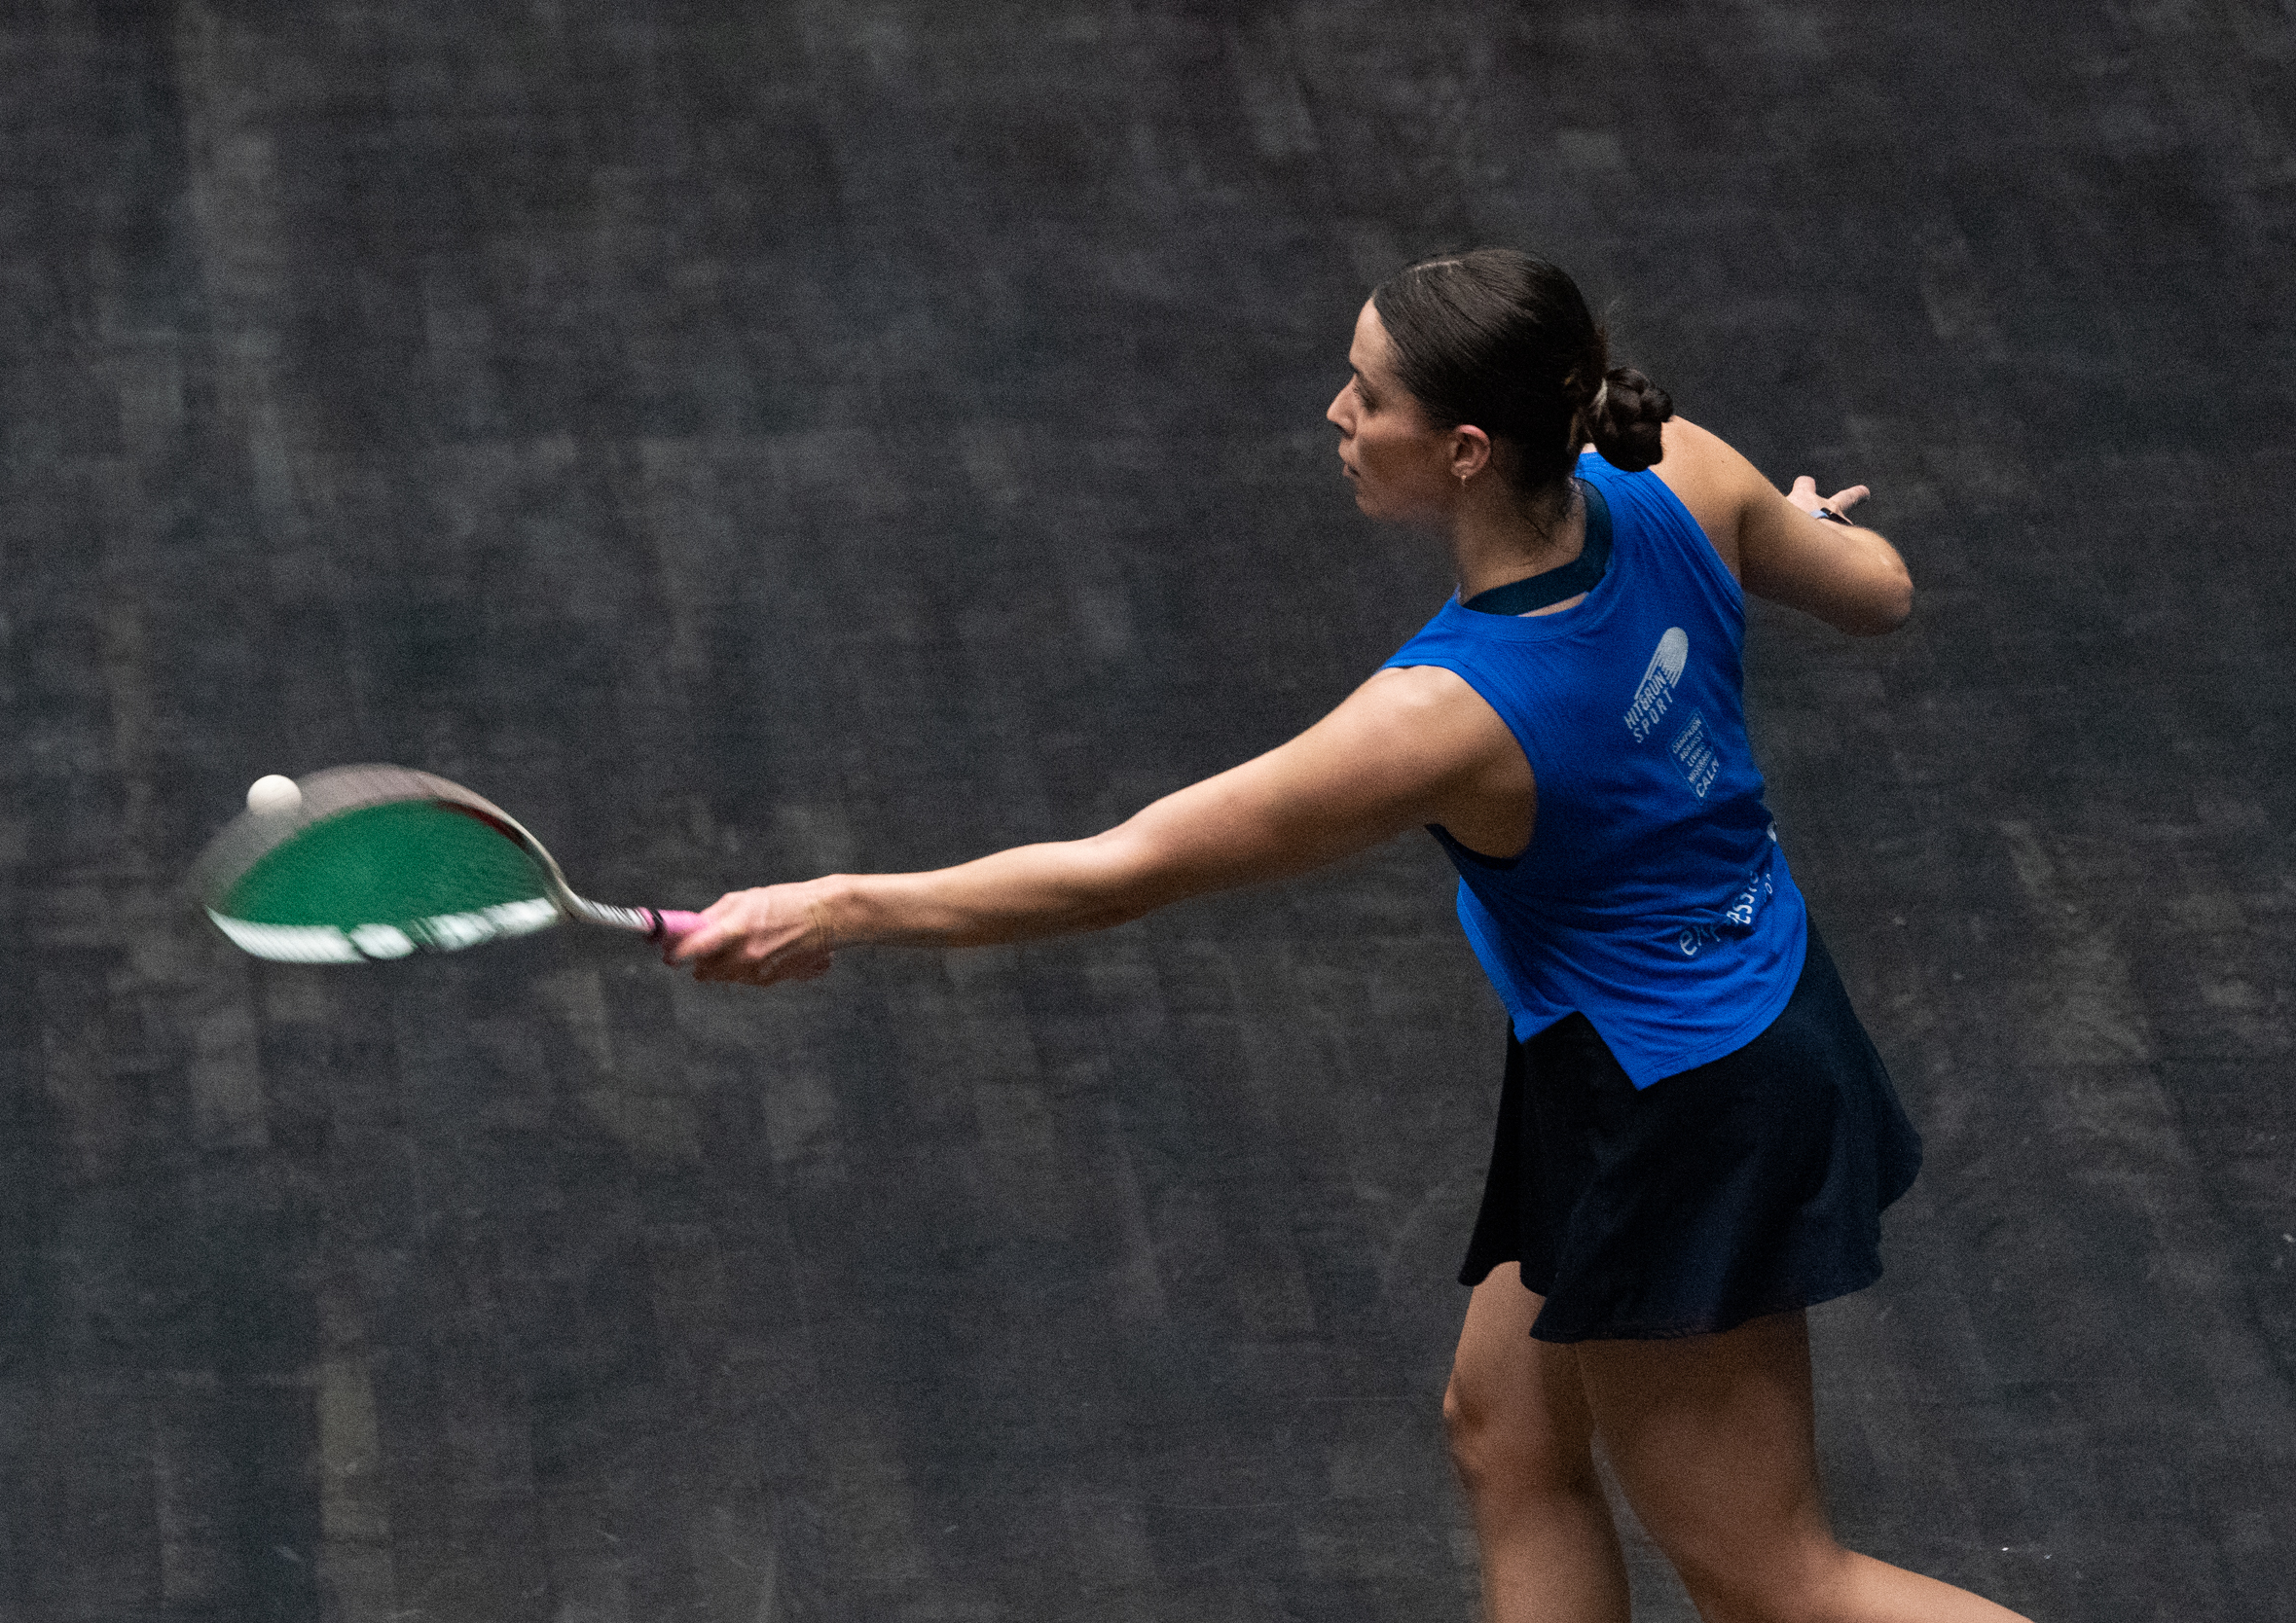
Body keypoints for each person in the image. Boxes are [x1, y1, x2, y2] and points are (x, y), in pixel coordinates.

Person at [668, 248, 2028, 1623]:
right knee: (1506, 1435)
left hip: (1677, 1109)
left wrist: (835, 904)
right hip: (1744, 1017)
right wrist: (1781, 523)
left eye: (1369, 397)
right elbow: (1882, 592)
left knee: (1773, 1579)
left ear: (1467, 450)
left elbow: (1121, 872)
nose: (1337, 414)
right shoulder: (1677, 465)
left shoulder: (1446, 714)